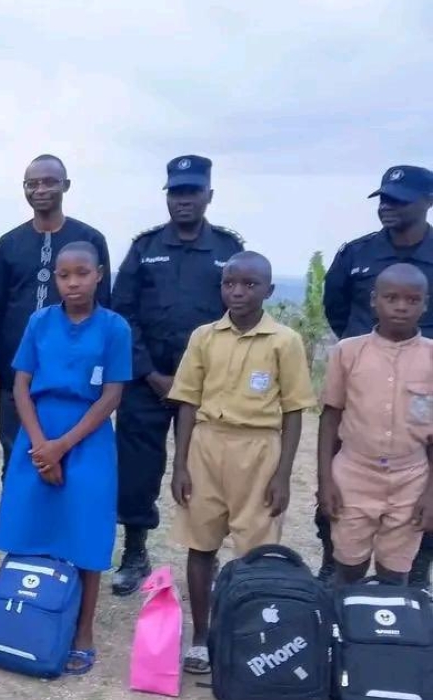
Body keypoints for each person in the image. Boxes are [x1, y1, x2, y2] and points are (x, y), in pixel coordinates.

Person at [168, 251, 316, 675]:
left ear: (269, 290)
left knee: (256, 553)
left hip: (259, 450)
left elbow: (293, 411)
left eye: (249, 285)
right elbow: (187, 402)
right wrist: (179, 463)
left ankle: (250, 636)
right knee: (201, 544)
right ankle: (201, 635)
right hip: (207, 446)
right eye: (230, 283)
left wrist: (283, 474)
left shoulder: (284, 341)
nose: (237, 291)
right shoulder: (204, 336)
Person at [109, 155, 245, 596]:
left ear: (209, 195)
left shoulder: (229, 250)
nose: (183, 200)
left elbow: (241, 313)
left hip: (210, 386)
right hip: (148, 381)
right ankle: (135, 551)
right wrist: (150, 373)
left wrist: (200, 379)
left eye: (192, 191)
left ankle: (212, 555)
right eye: (176, 192)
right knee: (136, 470)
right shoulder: (145, 248)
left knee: (210, 470)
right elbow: (122, 313)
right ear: (167, 196)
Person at [0, 241, 131, 677]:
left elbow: (111, 396)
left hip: (87, 439)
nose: (73, 282)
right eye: (64, 275)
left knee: (85, 535)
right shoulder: (40, 321)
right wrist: (40, 446)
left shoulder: (114, 328)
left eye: (81, 273)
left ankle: (83, 630)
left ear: (99, 275)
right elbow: (20, 387)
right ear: (55, 279)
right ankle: (19, 611)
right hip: (37, 435)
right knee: (26, 526)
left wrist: (62, 446)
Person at [322, 164, 433, 586]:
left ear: (427, 202)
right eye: (383, 198)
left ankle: (415, 574)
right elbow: (336, 306)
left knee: (408, 527)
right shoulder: (357, 252)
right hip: (363, 376)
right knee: (345, 513)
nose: (387, 206)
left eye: (399, 199)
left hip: (423, 386)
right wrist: (368, 354)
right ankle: (336, 566)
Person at [0, 154, 111, 482]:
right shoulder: (8, 243)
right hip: (17, 370)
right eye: (33, 183)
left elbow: (105, 308)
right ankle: (21, 529)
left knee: (73, 456)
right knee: (17, 455)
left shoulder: (90, 240)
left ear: (65, 185)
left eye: (49, 182)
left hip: (75, 371)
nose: (40, 189)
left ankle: (63, 530)